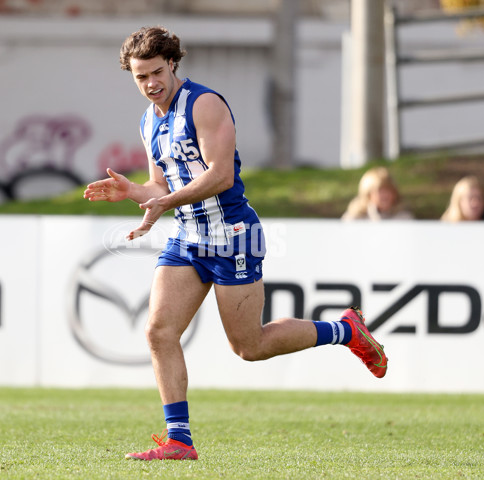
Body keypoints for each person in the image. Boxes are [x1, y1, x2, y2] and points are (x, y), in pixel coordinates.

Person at [83, 26, 388, 461]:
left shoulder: (204, 104)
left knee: (250, 347)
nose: (149, 84)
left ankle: (345, 330)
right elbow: (159, 185)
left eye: (155, 72)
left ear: (172, 63)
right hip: (188, 238)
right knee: (158, 331)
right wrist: (134, 192)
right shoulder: (148, 120)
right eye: (139, 77)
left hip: (232, 237)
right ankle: (179, 441)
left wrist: (164, 200)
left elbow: (220, 175)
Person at [341, 167, 413, 221]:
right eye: (379, 190)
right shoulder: (355, 218)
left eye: (388, 190)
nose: (385, 195)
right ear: (368, 193)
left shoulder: (404, 219)